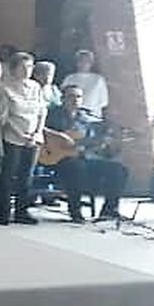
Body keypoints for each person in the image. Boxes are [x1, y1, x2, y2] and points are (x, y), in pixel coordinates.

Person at [45, 84, 126, 222]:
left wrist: (101, 143)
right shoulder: (53, 114)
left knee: (119, 169)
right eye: (71, 96)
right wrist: (61, 136)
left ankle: (109, 210)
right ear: (63, 99)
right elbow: (41, 128)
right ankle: (75, 211)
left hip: (81, 156)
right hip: (56, 158)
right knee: (76, 168)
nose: (75, 99)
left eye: (78, 96)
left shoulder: (87, 117)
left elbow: (88, 143)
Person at [0, 52, 46, 225]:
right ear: (13, 68)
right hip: (13, 137)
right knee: (8, 176)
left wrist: (37, 133)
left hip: (34, 138)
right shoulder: (4, 88)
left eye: (30, 67)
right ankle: (3, 212)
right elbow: (4, 117)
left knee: (27, 177)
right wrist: (22, 135)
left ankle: (21, 211)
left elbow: (41, 111)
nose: (27, 70)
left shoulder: (35, 87)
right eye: (22, 67)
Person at [60, 49, 109, 118]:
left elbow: (104, 101)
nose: (83, 63)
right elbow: (63, 98)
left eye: (87, 61)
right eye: (81, 61)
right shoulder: (69, 78)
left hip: (93, 116)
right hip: (71, 117)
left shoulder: (98, 79)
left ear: (91, 63)